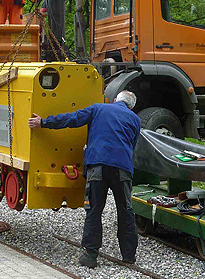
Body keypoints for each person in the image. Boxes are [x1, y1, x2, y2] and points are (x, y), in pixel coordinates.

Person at [28, 91, 141, 268]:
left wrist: (43, 122)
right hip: (122, 168)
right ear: (131, 107)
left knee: (94, 210)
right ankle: (129, 256)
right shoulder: (135, 119)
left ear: (114, 101)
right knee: (125, 211)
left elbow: (72, 119)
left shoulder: (98, 109)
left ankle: (90, 256)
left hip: (97, 165)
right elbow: (131, 145)